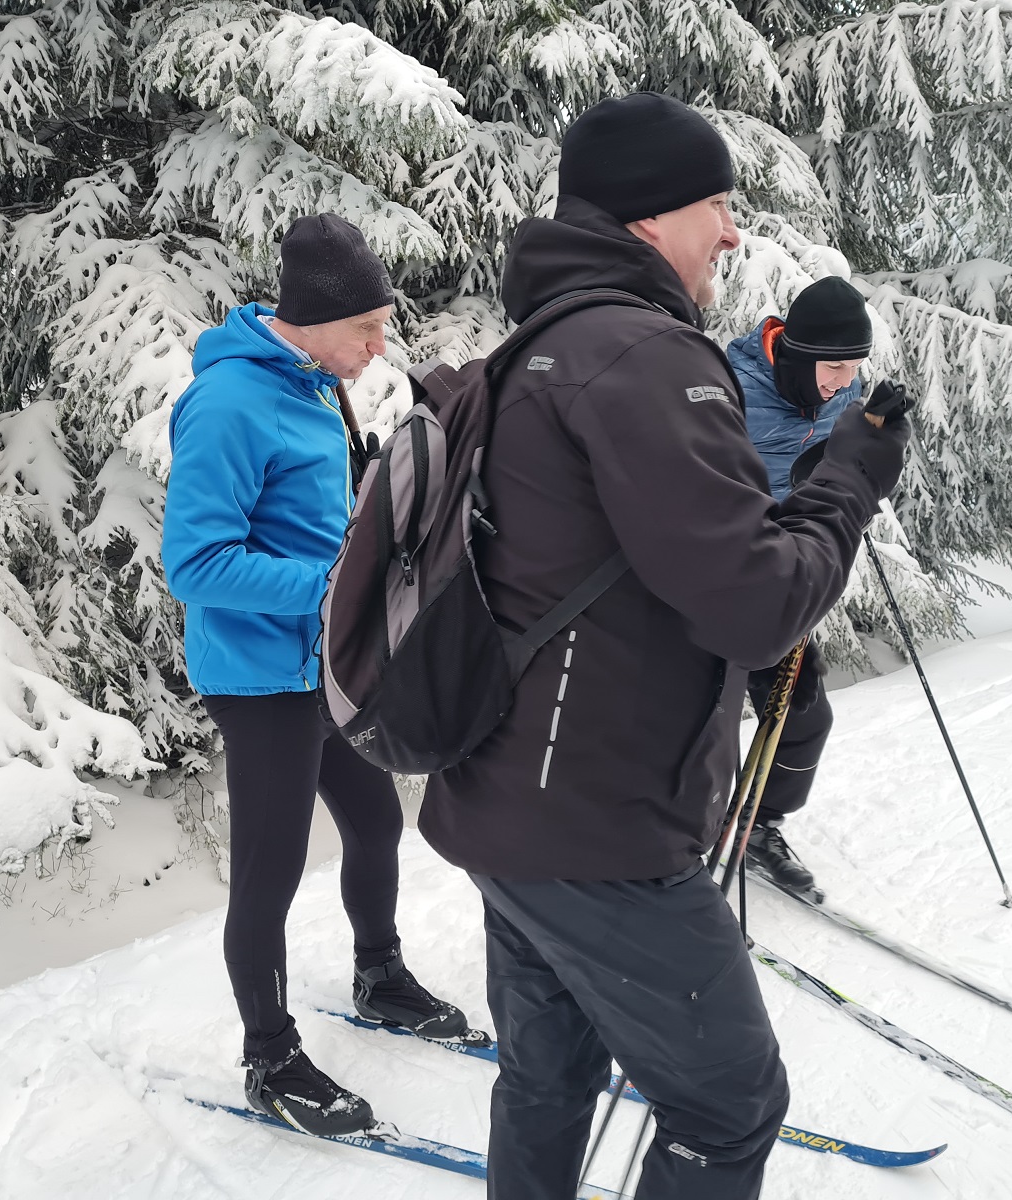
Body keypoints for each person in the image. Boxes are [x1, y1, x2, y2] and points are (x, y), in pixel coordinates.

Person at [417, 93, 910, 1199]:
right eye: (717, 206)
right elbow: (753, 607)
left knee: (546, 1078)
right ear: (649, 215)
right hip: (599, 826)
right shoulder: (643, 356)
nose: (732, 234)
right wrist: (849, 482)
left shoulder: (533, 349)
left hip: (509, 794)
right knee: (728, 1107)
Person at [161, 213, 473, 1137]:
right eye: (366, 330)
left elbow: (314, 511)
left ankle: (378, 978)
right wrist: (336, 586)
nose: (379, 348)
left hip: (319, 663)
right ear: (311, 318)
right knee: (271, 867)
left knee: (376, 821)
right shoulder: (227, 405)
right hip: (258, 677)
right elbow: (196, 563)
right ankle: (270, 1059)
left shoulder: (311, 383)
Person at [726, 276, 875, 896]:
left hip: (778, 572)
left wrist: (868, 441)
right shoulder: (727, 387)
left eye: (855, 367)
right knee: (695, 725)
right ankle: (670, 848)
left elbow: (839, 447)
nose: (845, 380)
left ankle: (756, 827)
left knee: (801, 714)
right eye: (836, 366)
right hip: (707, 569)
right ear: (798, 352)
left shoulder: (846, 390)